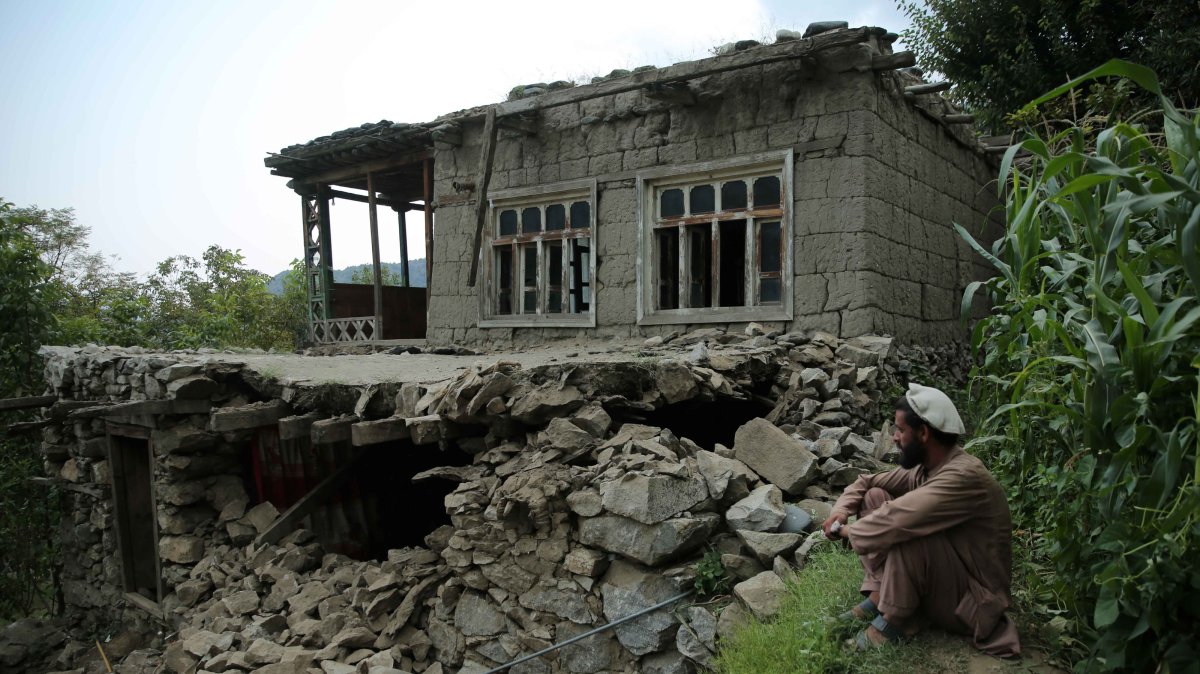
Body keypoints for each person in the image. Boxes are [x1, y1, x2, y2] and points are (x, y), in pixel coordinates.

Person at [822, 383, 1021, 657]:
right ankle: (879, 595)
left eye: (901, 430)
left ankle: (892, 622)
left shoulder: (963, 476)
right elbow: (866, 481)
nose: (894, 437)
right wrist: (841, 510)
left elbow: (896, 520)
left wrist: (844, 531)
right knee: (874, 496)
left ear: (923, 433)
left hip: (973, 602)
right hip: (950, 582)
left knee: (907, 529)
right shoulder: (926, 469)